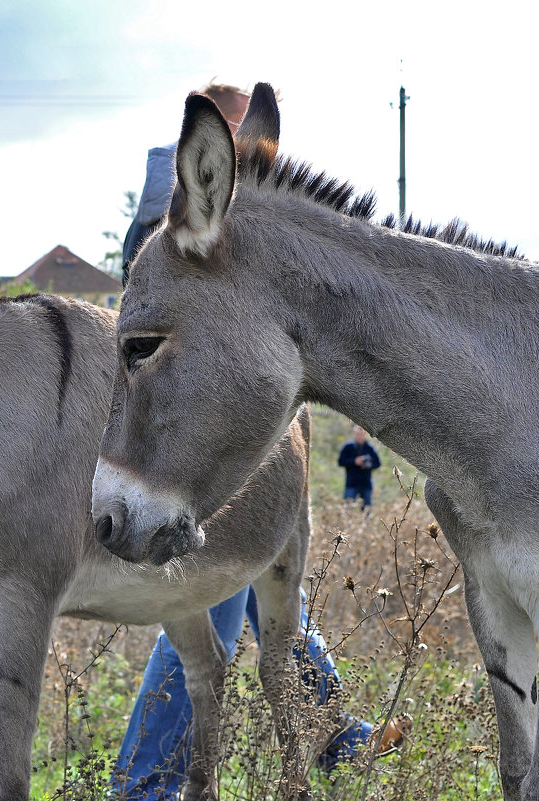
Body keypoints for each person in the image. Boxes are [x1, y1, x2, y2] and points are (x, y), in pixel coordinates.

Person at [114, 83, 409, 801]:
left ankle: (336, 734)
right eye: (249, 146)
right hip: (196, 450)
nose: (262, 166)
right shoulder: (174, 219)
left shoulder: (223, 214)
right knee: (209, 600)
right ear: (219, 140)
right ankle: (143, 783)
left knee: (273, 598)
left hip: (247, 443)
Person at [338, 426, 382, 508]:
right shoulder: (348, 447)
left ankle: (365, 521)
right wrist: (354, 461)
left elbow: (377, 463)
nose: (360, 436)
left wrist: (366, 465)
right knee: (347, 509)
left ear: (365, 435)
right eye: (358, 434)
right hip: (351, 484)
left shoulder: (370, 448)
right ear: (355, 435)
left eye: (362, 434)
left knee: (366, 510)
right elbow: (341, 462)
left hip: (365, 484)